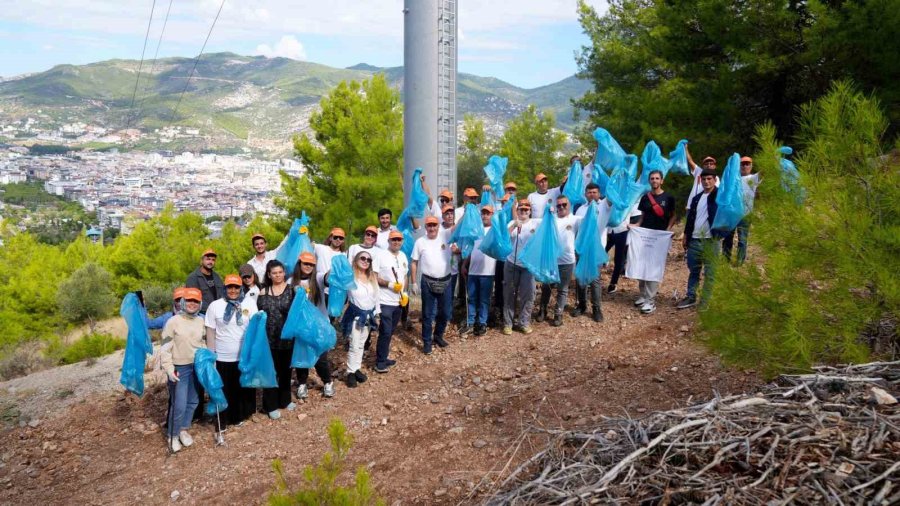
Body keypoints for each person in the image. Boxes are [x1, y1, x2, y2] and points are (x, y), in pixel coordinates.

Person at [204, 274, 258, 428]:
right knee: (224, 389)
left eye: (236, 287)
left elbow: (254, 329)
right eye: (230, 287)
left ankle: (239, 416)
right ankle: (223, 418)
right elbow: (210, 332)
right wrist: (211, 356)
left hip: (243, 356)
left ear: (241, 288)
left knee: (240, 388)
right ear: (225, 288)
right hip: (222, 356)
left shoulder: (249, 304)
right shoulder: (215, 306)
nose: (233, 290)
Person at [160, 287, 205, 452]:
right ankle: (172, 435)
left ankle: (183, 429)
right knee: (179, 404)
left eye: (196, 301)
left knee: (193, 401)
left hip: (197, 367)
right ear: (183, 302)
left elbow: (204, 343)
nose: (192, 304)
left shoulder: (201, 321)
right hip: (179, 368)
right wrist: (169, 368)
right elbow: (165, 347)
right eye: (189, 300)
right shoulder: (173, 321)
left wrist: (208, 363)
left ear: (200, 304)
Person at [291, 252, 336, 398]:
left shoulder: (318, 278)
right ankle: (302, 384)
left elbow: (328, 277)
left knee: (321, 358)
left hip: (320, 326)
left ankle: (328, 382)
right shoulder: (291, 282)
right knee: (301, 356)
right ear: (299, 264)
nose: (308, 266)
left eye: (311, 264)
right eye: (305, 263)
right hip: (301, 327)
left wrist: (336, 266)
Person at [256, 260, 297, 419]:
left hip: (287, 339)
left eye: (280, 272)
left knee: (286, 372)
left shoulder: (292, 290)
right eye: (274, 273)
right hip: (268, 340)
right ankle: (270, 405)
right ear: (269, 275)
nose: (278, 275)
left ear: (284, 273)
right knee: (270, 373)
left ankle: (285, 400)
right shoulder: (262, 292)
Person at [633, 170, 677, 314]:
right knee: (642, 265)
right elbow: (642, 216)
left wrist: (668, 229)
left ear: (662, 181)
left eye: (657, 178)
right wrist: (636, 226)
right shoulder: (645, 198)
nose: (654, 181)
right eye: (652, 178)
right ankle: (643, 295)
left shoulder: (669, 197)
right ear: (649, 181)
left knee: (653, 267)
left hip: (659, 237)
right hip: (644, 235)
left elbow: (673, 216)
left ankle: (650, 300)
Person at [678, 169, 723, 309]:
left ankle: (705, 301)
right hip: (695, 240)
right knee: (694, 271)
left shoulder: (720, 196)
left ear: (715, 180)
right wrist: (686, 235)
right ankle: (691, 296)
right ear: (700, 180)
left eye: (709, 178)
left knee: (710, 272)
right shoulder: (696, 198)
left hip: (712, 240)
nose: (706, 181)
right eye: (704, 179)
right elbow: (690, 219)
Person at [410, 215, 452, 355]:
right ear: (426, 227)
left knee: (445, 312)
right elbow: (414, 262)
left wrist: (468, 208)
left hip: (445, 280)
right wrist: (414, 282)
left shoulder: (445, 235)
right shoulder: (420, 242)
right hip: (427, 281)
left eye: (434, 225)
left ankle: (438, 336)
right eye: (429, 225)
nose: (432, 228)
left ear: (438, 226)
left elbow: (457, 227)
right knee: (427, 314)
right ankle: (427, 342)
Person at [537, 195, 579, 327]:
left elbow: (592, 222)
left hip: (567, 261)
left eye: (564, 205)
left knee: (563, 289)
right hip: (551, 261)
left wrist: (595, 207)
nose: (561, 207)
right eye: (559, 205)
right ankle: (542, 310)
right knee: (546, 287)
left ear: (569, 205)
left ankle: (558, 313)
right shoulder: (551, 219)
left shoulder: (576, 220)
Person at [573, 183, 610, 322]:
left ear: (599, 193)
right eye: (589, 192)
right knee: (581, 278)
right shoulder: (580, 209)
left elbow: (612, 198)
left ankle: (596, 308)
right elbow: (577, 229)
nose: (592, 194)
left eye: (594, 192)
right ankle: (582, 304)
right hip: (582, 249)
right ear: (585, 194)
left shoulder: (604, 206)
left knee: (595, 280)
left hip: (596, 250)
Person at [343, 251, 380, 387]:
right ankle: (350, 372)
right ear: (356, 260)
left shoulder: (372, 277)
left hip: (368, 316)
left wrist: (377, 314)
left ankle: (356, 368)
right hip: (355, 315)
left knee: (361, 344)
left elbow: (376, 297)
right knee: (353, 344)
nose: (365, 261)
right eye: (362, 258)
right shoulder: (350, 277)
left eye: (368, 260)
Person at [503, 199, 540, 335]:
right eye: (521, 209)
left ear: (530, 211)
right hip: (511, 264)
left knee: (528, 295)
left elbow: (549, 224)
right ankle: (508, 324)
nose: (523, 211)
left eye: (526, 209)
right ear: (517, 211)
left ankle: (524, 322)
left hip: (528, 266)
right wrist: (513, 226)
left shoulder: (536, 223)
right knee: (509, 294)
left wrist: (550, 210)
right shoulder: (512, 223)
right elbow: (502, 238)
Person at [374, 231, 407, 372]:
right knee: (385, 331)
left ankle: (384, 356)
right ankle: (379, 362)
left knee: (391, 331)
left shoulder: (403, 256)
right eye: (394, 239)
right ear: (389, 241)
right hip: (385, 300)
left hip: (398, 301)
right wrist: (389, 284)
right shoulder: (381, 256)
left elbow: (404, 276)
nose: (396, 242)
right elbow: (373, 276)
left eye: (399, 239)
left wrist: (404, 292)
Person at [461, 205, 496, 336]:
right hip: (473, 271)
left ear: (492, 215)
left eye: (488, 213)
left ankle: (482, 323)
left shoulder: (494, 230)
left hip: (487, 272)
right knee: (472, 298)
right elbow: (470, 249)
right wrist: (465, 264)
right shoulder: (475, 230)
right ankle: (470, 322)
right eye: (483, 213)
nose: (485, 216)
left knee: (484, 300)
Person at [722, 156, 759, 265]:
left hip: (746, 214)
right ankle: (725, 260)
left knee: (742, 240)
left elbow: (765, 172)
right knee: (728, 238)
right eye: (742, 164)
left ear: (751, 166)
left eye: (747, 164)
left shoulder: (754, 178)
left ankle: (739, 262)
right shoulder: (733, 179)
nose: (745, 166)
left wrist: (773, 156)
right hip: (731, 213)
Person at [185, 249, 224, 315]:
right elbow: (192, 300)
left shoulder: (217, 276)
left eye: (213, 260)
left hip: (218, 312)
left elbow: (222, 294)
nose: (210, 262)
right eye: (208, 259)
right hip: (201, 314)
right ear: (201, 261)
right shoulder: (193, 277)